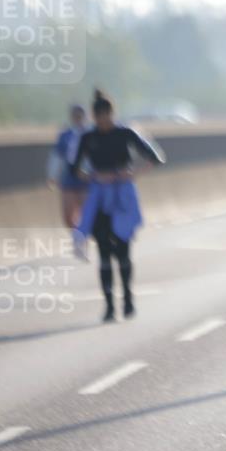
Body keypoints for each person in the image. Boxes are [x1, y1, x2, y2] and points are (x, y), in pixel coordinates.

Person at [70, 89, 165, 322]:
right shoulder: (88, 138)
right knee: (103, 252)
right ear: (94, 117)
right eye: (99, 117)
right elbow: (74, 169)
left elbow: (156, 158)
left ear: (113, 114)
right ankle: (110, 306)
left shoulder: (126, 133)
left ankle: (129, 299)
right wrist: (95, 176)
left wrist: (131, 173)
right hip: (99, 198)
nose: (104, 122)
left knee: (122, 251)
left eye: (107, 116)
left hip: (123, 196)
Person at [47, 104, 90, 228]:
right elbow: (57, 157)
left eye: (80, 115)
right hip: (69, 179)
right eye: (75, 115)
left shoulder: (91, 134)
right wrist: (52, 176)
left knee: (85, 214)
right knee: (68, 216)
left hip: (86, 180)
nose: (78, 118)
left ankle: (82, 237)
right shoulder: (65, 135)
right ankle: (77, 235)